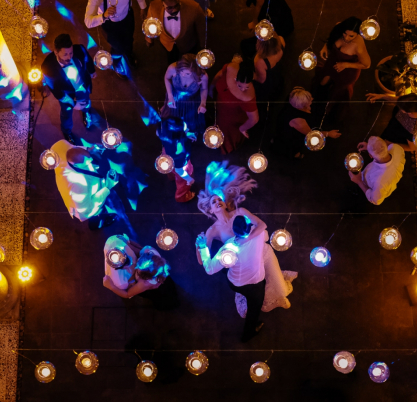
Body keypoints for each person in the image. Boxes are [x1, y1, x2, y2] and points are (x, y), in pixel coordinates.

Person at [196, 162, 296, 332]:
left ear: (226, 204)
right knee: (255, 284)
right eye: (214, 202)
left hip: (260, 251)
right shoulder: (212, 231)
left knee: (278, 284)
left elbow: (262, 227)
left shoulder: (241, 213)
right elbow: (202, 262)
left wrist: (244, 240)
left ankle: (279, 294)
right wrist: (199, 247)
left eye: (220, 199)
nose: (218, 202)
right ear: (211, 210)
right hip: (242, 262)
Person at [50, 139, 125, 229]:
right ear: (76, 165)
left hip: (89, 190)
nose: (91, 159)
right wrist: (108, 187)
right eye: (87, 161)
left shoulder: (60, 146)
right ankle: (95, 225)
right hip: (86, 207)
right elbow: (88, 210)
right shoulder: (77, 187)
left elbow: (73, 149)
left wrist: (89, 149)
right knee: (95, 215)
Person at [85, 0, 147, 77]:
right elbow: (88, 22)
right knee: (117, 46)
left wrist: (143, 6)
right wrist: (103, 16)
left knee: (129, 39)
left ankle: (129, 55)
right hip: (109, 24)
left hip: (127, 17)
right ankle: (117, 62)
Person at [314, 17, 371, 126]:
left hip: (347, 72)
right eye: (345, 34)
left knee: (337, 91)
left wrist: (346, 64)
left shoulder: (358, 46)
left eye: (351, 36)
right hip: (332, 62)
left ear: (358, 34)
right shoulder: (339, 27)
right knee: (323, 81)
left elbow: (367, 64)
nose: (346, 38)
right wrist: (325, 46)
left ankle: (329, 109)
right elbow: (332, 37)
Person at [41, 34, 97, 144]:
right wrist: (73, 104)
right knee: (66, 113)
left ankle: (86, 113)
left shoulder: (79, 49)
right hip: (67, 94)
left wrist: (91, 70)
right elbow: (57, 91)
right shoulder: (47, 67)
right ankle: (67, 131)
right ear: (56, 52)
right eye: (65, 54)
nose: (69, 56)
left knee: (86, 102)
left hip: (82, 86)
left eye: (71, 53)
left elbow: (87, 59)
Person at [103, 239, 178, 309]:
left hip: (154, 291)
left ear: (144, 277)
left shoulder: (144, 284)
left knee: (163, 298)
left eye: (137, 268)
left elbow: (127, 294)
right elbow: (140, 249)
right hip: (159, 279)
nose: (135, 266)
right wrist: (128, 242)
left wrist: (111, 286)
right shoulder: (150, 251)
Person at [273, 87, 341, 158]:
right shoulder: (298, 120)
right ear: (303, 105)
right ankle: (295, 155)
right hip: (290, 138)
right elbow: (310, 134)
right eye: (309, 100)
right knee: (293, 148)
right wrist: (328, 133)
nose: (312, 99)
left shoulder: (294, 100)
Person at [211, 54, 259, 154]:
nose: (242, 90)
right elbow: (219, 75)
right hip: (220, 108)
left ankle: (224, 150)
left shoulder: (248, 96)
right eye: (240, 86)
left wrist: (242, 129)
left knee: (226, 136)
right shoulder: (231, 67)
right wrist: (211, 87)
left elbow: (254, 119)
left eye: (247, 87)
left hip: (231, 119)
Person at [145, 0, 206, 65]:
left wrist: (203, 45)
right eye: (169, 8)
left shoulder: (194, 8)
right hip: (167, 44)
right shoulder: (154, 7)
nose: (174, 10)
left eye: (177, 5)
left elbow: (201, 28)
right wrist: (149, 39)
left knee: (190, 63)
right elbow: (149, 23)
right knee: (172, 62)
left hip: (188, 43)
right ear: (162, 4)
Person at [349, 136, 406, 206]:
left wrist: (359, 181)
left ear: (370, 156)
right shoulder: (396, 148)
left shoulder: (379, 183)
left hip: (376, 188)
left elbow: (375, 200)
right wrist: (371, 147)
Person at [162, 54, 208, 137]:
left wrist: (203, 103)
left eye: (187, 73)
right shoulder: (172, 68)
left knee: (191, 121)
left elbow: (204, 89)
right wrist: (170, 96)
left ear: (195, 71)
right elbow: (167, 78)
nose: (182, 74)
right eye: (181, 71)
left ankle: (189, 134)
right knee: (173, 121)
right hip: (175, 97)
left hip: (192, 100)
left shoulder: (203, 76)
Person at [157, 117, 196, 202]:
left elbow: (158, 133)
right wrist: (189, 179)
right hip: (180, 165)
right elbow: (180, 171)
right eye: (184, 127)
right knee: (182, 182)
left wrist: (187, 134)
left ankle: (171, 177)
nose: (187, 128)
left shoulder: (163, 130)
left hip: (167, 155)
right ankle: (182, 196)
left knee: (171, 170)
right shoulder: (180, 152)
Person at [253, 35, 285, 102]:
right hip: (278, 72)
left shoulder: (259, 61)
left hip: (270, 81)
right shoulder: (281, 40)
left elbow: (261, 80)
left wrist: (251, 75)